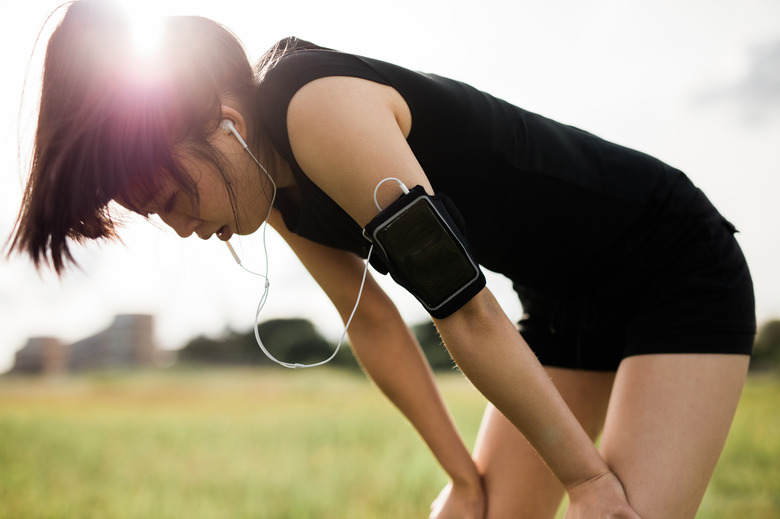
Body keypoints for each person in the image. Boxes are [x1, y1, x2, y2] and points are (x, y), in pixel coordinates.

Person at [9, 2, 756, 518]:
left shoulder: (315, 110)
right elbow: (370, 323)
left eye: (171, 197)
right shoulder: (274, 185)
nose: (180, 227)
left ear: (224, 125)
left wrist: (588, 480)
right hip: (565, 303)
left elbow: (463, 307)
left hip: (670, 261)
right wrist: (463, 479)